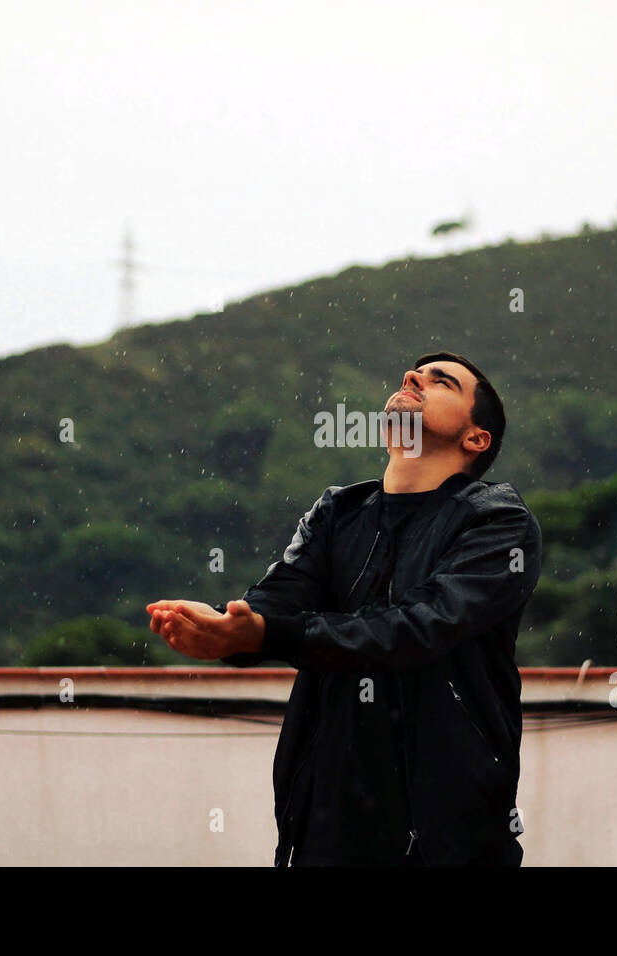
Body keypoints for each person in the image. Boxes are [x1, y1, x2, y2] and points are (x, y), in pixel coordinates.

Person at [147, 351, 542, 866]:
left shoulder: (499, 523)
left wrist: (266, 634)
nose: (414, 379)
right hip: (326, 826)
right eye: (412, 374)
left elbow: (421, 627)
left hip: (448, 832)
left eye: (440, 381)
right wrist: (230, 629)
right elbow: (279, 599)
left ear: (476, 438)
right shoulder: (337, 512)